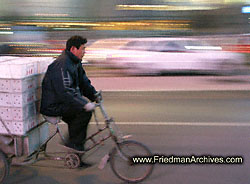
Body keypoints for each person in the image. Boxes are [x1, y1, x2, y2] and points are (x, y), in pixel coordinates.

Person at [40, 35, 97, 151]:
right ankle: (73, 146)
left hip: (63, 102)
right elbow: (64, 91)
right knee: (83, 112)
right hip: (53, 105)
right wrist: (84, 104)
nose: (84, 52)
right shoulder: (62, 65)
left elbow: (84, 82)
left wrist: (95, 95)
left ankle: (75, 151)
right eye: (82, 49)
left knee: (81, 114)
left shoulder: (75, 62)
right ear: (73, 49)